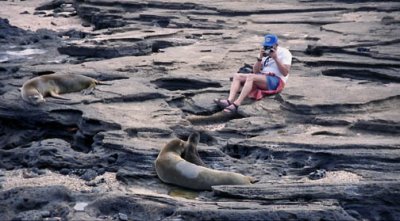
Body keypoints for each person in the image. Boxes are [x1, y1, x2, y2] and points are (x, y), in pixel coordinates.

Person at [214, 34, 292, 113]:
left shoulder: (285, 53)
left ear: (276, 45)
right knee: (237, 76)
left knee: (251, 77)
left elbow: (285, 73)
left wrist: (275, 58)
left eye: (270, 46)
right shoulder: (264, 52)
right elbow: (256, 71)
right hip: (263, 77)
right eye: (266, 46)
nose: (268, 48)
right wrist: (260, 58)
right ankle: (229, 101)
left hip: (277, 80)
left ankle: (236, 104)